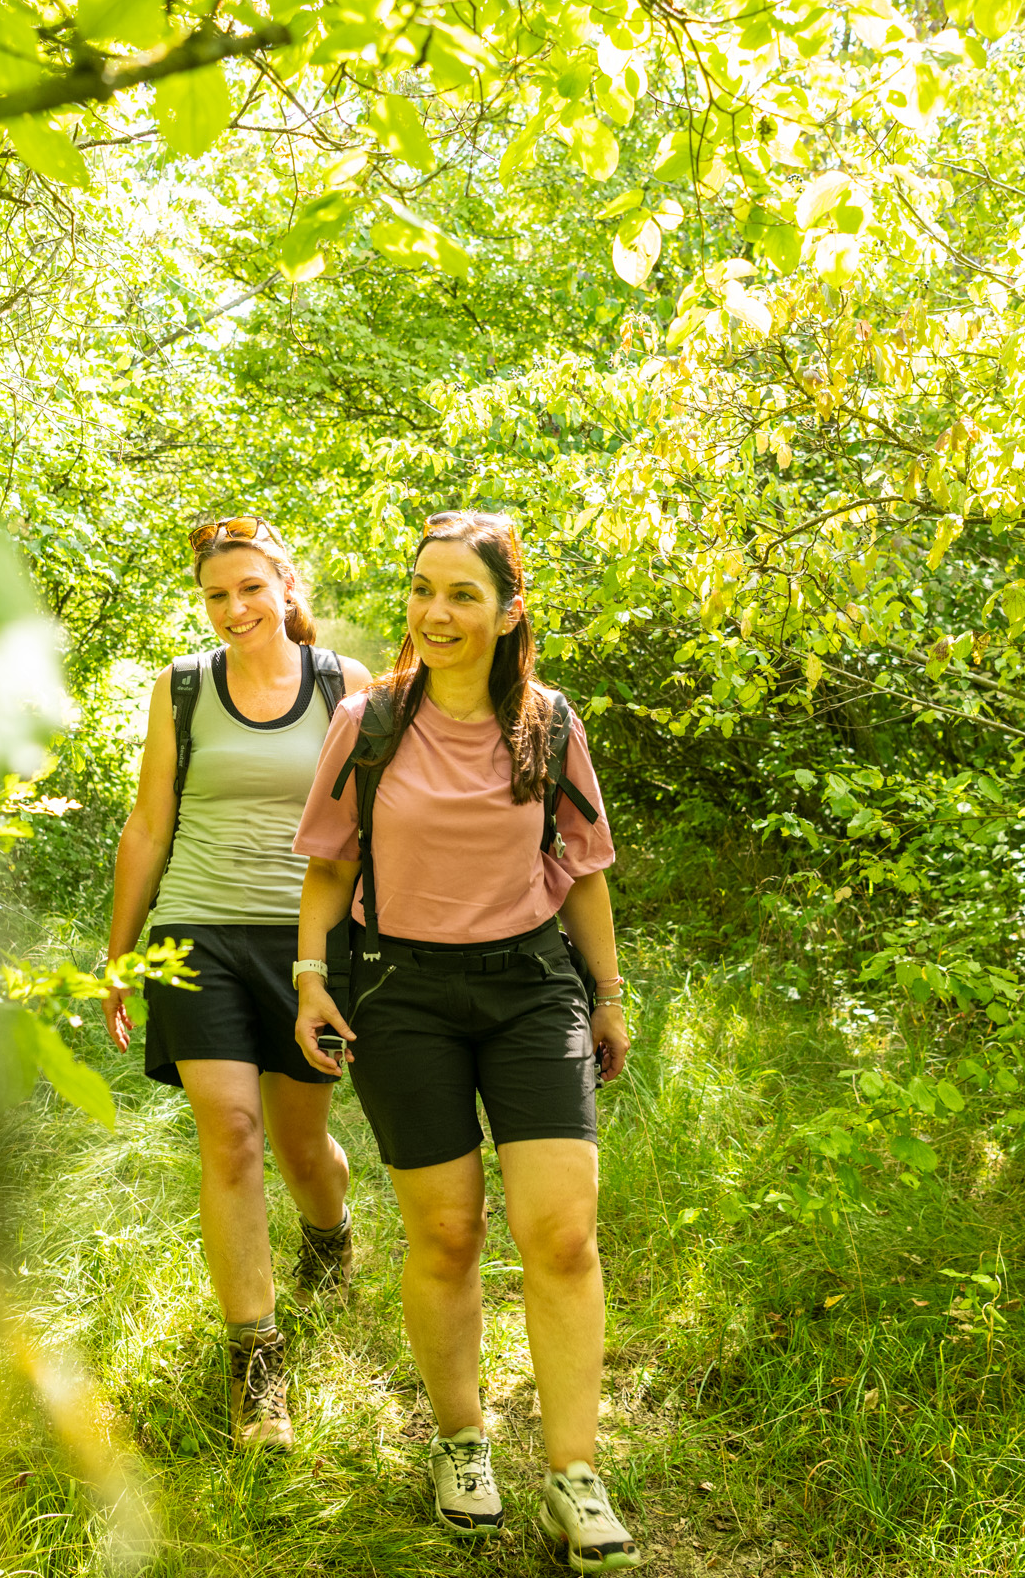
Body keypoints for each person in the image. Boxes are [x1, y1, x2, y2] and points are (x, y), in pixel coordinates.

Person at [291, 510, 639, 1573]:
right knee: (445, 1235)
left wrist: (610, 996)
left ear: (507, 611)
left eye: (462, 595)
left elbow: (581, 868)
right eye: (421, 590)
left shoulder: (546, 721)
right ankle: (462, 1441)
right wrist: (311, 978)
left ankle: (575, 1473)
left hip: (533, 988)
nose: (435, 613)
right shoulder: (370, 721)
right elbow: (329, 866)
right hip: (401, 992)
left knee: (561, 1234)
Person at [102, 514, 373, 1451]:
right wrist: (121, 954)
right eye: (216, 595)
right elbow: (147, 826)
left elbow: (375, 829)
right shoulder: (181, 688)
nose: (234, 609)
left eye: (250, 588)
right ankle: (258, 1365)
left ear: (285, 586)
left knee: (303, 1145)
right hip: (198, 930)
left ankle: (331, 1238)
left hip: (311, 942)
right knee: (232, 1132)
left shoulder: (345, 684)